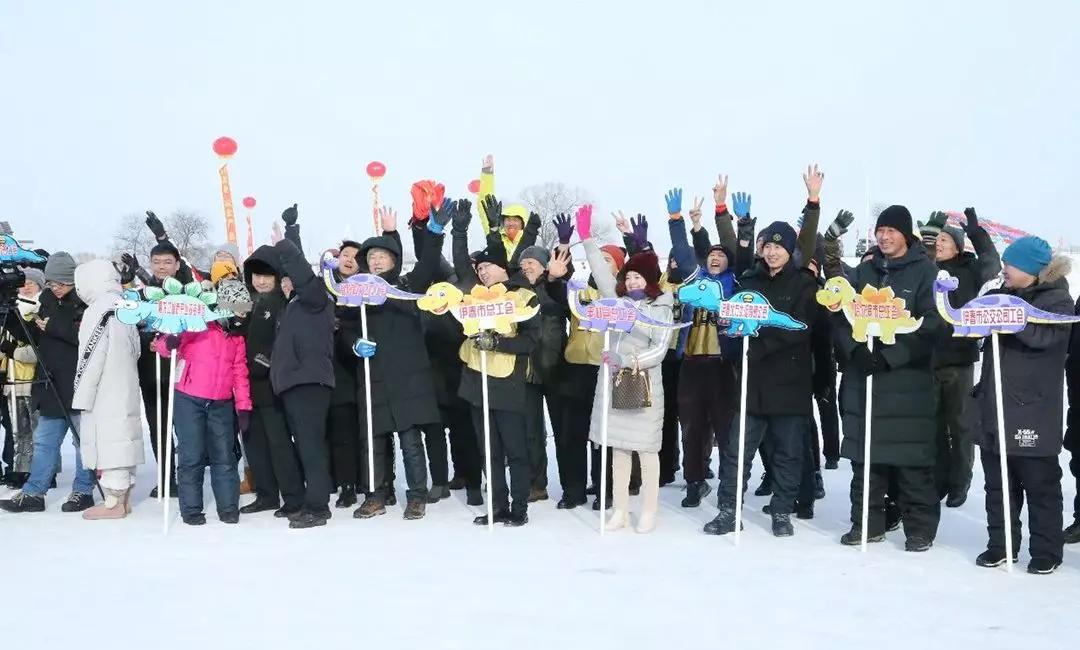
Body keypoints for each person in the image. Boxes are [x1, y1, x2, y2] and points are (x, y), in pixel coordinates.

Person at [832, 205, 942, 552]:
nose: (884, 236)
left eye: (891, 230)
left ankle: (919, 529)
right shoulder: (864, 271)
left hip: (907, 386)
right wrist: (854, 349)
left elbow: (934, 324)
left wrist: (890, 355)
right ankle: (867, 524)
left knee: (912, 463)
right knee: (866, 460)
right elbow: (840, 315)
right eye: (880, 230)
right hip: (865, 383)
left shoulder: (926, 273)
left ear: (906, 235)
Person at [971, 237, 1071, 575]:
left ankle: (1046, 550)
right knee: (999, 484)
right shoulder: (1003, 295)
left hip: (1033, 410)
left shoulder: (1057, 301)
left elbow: (1048, 336)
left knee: (1040, 485)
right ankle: (1002, 545)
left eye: (1009, 264)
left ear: (1029, 268)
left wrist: (1012, 318)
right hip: (994, 405)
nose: (1004, 270)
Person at [350, 203, 446, 521]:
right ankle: (376, 494)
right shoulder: (358, 294)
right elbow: (344, 331)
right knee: (373, 440)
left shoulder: (406, 286)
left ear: (393, 260)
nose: (377, 261)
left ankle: (417, 494)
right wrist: (354, 344)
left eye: (383, 256)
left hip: (406, 377)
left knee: (409, 439)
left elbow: (429, 262)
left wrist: (433, 232)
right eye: (372, 257)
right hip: (373, 376)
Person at [581, 212, 674, 533]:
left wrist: (629, 361)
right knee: (618, 449)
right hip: (614, 383)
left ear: (650, 281)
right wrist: (586, 239)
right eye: (629, 277)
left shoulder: (661, 305)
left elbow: (660, 349)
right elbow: (600, 270)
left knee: (646, 451)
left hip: (645, 384)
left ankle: (649, 510)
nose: (633, 281)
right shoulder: (616, 301)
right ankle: (620, 509)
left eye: (639, 277)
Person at [451, 197, 540, 526]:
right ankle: (496, 505)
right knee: (489, 450)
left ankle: (519, 507)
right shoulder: (472, 297)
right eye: (480, 268)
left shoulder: (522, 295)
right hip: (477, 382)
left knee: (515, 449)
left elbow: (531, 340)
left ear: (505, 267)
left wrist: (498, 342)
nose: (483, 271)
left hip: (507, 382)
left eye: (488, 266)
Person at [666, 178, 741, 507]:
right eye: (710, 254)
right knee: (691, 426)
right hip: (692, 362)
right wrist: (676, 220)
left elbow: (736, 248)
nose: (715, 257)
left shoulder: (736, 284)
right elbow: (683, 254)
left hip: (723, 364)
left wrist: (723, 212)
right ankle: (694, 480)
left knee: (724, 426)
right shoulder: (695, 280)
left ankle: (729, 479)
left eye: (720, 255)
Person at [0, 252, 95, 513]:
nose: (55, 289)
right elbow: (35, 336)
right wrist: (12, 320)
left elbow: (84, 338)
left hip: (78, 382)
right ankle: (34, 492)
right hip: (48, 382)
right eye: (51, 283)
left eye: (60, 284)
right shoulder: (45, 300)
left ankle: (83, 490)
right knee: (44, 442)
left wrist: (51, 327)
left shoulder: (84, 302)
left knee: (81, 442)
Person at [919, 208, 1001, 508]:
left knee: (960, 425)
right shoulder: (927, 269)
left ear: (957, 244)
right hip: (928, 357)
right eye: (936, 239)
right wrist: (927, 234)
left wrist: (977, 234)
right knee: (933, 425)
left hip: (958, 359)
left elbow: (993, 265)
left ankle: (960, 481)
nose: (938, 244)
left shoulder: (970, 268)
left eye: (944, 239)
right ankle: (939, 479)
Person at [155, 311, 251, 525]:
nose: (241, 314)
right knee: (191, 454)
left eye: (244, 311)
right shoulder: (197, 323)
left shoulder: (236, 336)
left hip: (221, 402)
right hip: (189, 398)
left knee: (224, 456)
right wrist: (170, 341)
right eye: (237, 309)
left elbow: (239, 371)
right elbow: (163, 347)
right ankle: (191, 509)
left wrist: (243, 405)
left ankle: (228, 508)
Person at [270, 232, 336, 529]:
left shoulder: (315, 299)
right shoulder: (293, 308)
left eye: (290, 278)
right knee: (304, 447)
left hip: (310, 384)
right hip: (291, 386)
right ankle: (310, 502)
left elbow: (305, 276)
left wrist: (285, 246)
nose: (286, 283)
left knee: (311, 447)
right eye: (282, 279)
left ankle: (318, 507)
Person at [70, 260, 143, 519]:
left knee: (108, 440)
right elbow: (136, 349)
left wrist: (82, 392)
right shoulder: (123, 305)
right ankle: (123, 499)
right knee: (122, 437)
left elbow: (91, 356)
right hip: (124, 382)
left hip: (103, 387)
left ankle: (113, 502)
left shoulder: (97, 310)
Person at [237, 243, 306, 518]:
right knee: (254, 444)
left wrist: (262, 363)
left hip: (273, 385)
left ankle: (293, 496)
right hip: (244, 387)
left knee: (279, 443)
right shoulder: (242, 302)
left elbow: (287, 343)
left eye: (267, 275)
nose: (261, 281)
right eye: (256, 275)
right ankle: (266, 494)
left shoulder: (284, 303)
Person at [132, 239, 192, 497]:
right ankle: (167, 478)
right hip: (150, 368)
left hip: (181, 367)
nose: (162, 267)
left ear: (177, 264)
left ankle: (189, 477)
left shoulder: (187, 290)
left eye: (167, 262)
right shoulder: (144, 291)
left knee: (185, 425)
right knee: (158, 425)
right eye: (157, 262)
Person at [517, 243, 570, 503]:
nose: (526, 266)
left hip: (555, 367)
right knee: (530, 430)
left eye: (532, 262)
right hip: (526, 370)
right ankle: (536, 484)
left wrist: (553, 275)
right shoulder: (515, 291)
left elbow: (559, 291)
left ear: (544, 265)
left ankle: (571, 485)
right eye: (523, 263)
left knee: (563, 429)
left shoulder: (555, 287)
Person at [1, 268, 43, 488]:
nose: (26, 287)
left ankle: (43, 470)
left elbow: (37, 351)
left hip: (33, 383)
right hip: (13, 381)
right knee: (19, 431)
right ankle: (21, 468)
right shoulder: (9, 311)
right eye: (23, 283)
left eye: (32, 283)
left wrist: (14, 352)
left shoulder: (37, 310)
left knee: (37, 432)